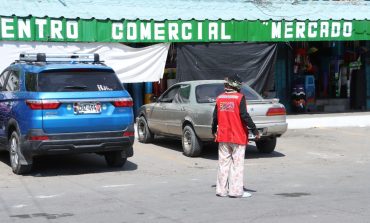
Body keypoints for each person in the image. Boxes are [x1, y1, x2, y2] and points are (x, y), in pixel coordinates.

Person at [212, 74, 260, 198]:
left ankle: (221, 191)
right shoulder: (239, 98)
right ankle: (236, 191)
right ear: (236, 85)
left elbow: (215, 117)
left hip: (223, 137)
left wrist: (213, 130)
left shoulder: (220, 98)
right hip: (237, 136)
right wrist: (255, 130)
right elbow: (244, 116)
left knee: (223, 164)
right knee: (237, 165)